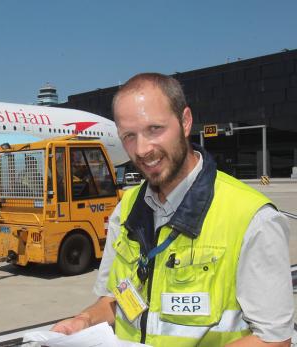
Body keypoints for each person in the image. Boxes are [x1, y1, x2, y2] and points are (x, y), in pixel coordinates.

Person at [52, 73, 293, 346]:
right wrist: (84, 320)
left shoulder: (252, 218)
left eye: (155, 129)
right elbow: (115, 300)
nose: (142, 150)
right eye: (129, 136)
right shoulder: (127, 209)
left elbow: (274, 340)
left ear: (186, 121)